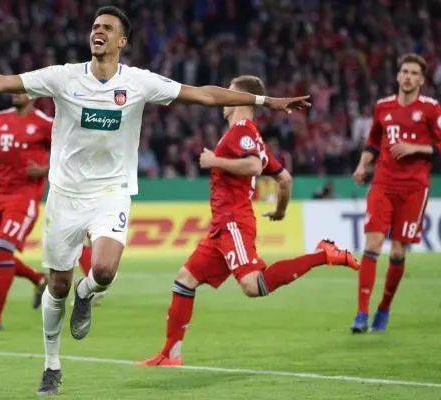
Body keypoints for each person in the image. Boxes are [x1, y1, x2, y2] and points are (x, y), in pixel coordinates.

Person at [0, 6, 310, 396]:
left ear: (122, 41)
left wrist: (265, 102)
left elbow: (203, 94)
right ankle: (52, 363)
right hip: (65, 196)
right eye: (95, 26)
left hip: (111, 192)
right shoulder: (63, 77)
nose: (98, 31)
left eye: (107, 28)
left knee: (105, 270)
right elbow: (0, 82)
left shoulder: (139, 82)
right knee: (57, 285)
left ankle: (88, 292)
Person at [137, 75, 359, 367]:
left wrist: (215, 161)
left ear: (240, 99)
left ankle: (322, 255)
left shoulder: (241, 132)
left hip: (233, 222)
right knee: (185, 280)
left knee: (253, 285)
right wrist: (280, 211)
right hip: (221, 228)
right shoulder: (251, 137)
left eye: (229, 93)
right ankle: (170, 354)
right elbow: (285, 179)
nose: (224, 100)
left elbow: (253, 166)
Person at [0, 94, 93, 332]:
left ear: (32, 94)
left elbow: (70, 155)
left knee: (4, 250)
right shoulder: (1, 118)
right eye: (14, 89)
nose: (15, 93)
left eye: (20, 89)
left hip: (24, 198)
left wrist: (44, 170)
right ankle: (39, 279)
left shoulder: (45, 123)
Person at [350, 53, 441, 333]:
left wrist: (415, 148)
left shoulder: (431, 109)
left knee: (398, 251)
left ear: (421, 80)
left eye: (414, 73)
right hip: (383, 184)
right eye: (405, 72)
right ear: (398, 75)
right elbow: (373, 142)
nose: (408, 77)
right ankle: (361, 314)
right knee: (373, 244)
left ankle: (384, 308)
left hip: (414, 189)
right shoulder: (383, 107)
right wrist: (362, 165)